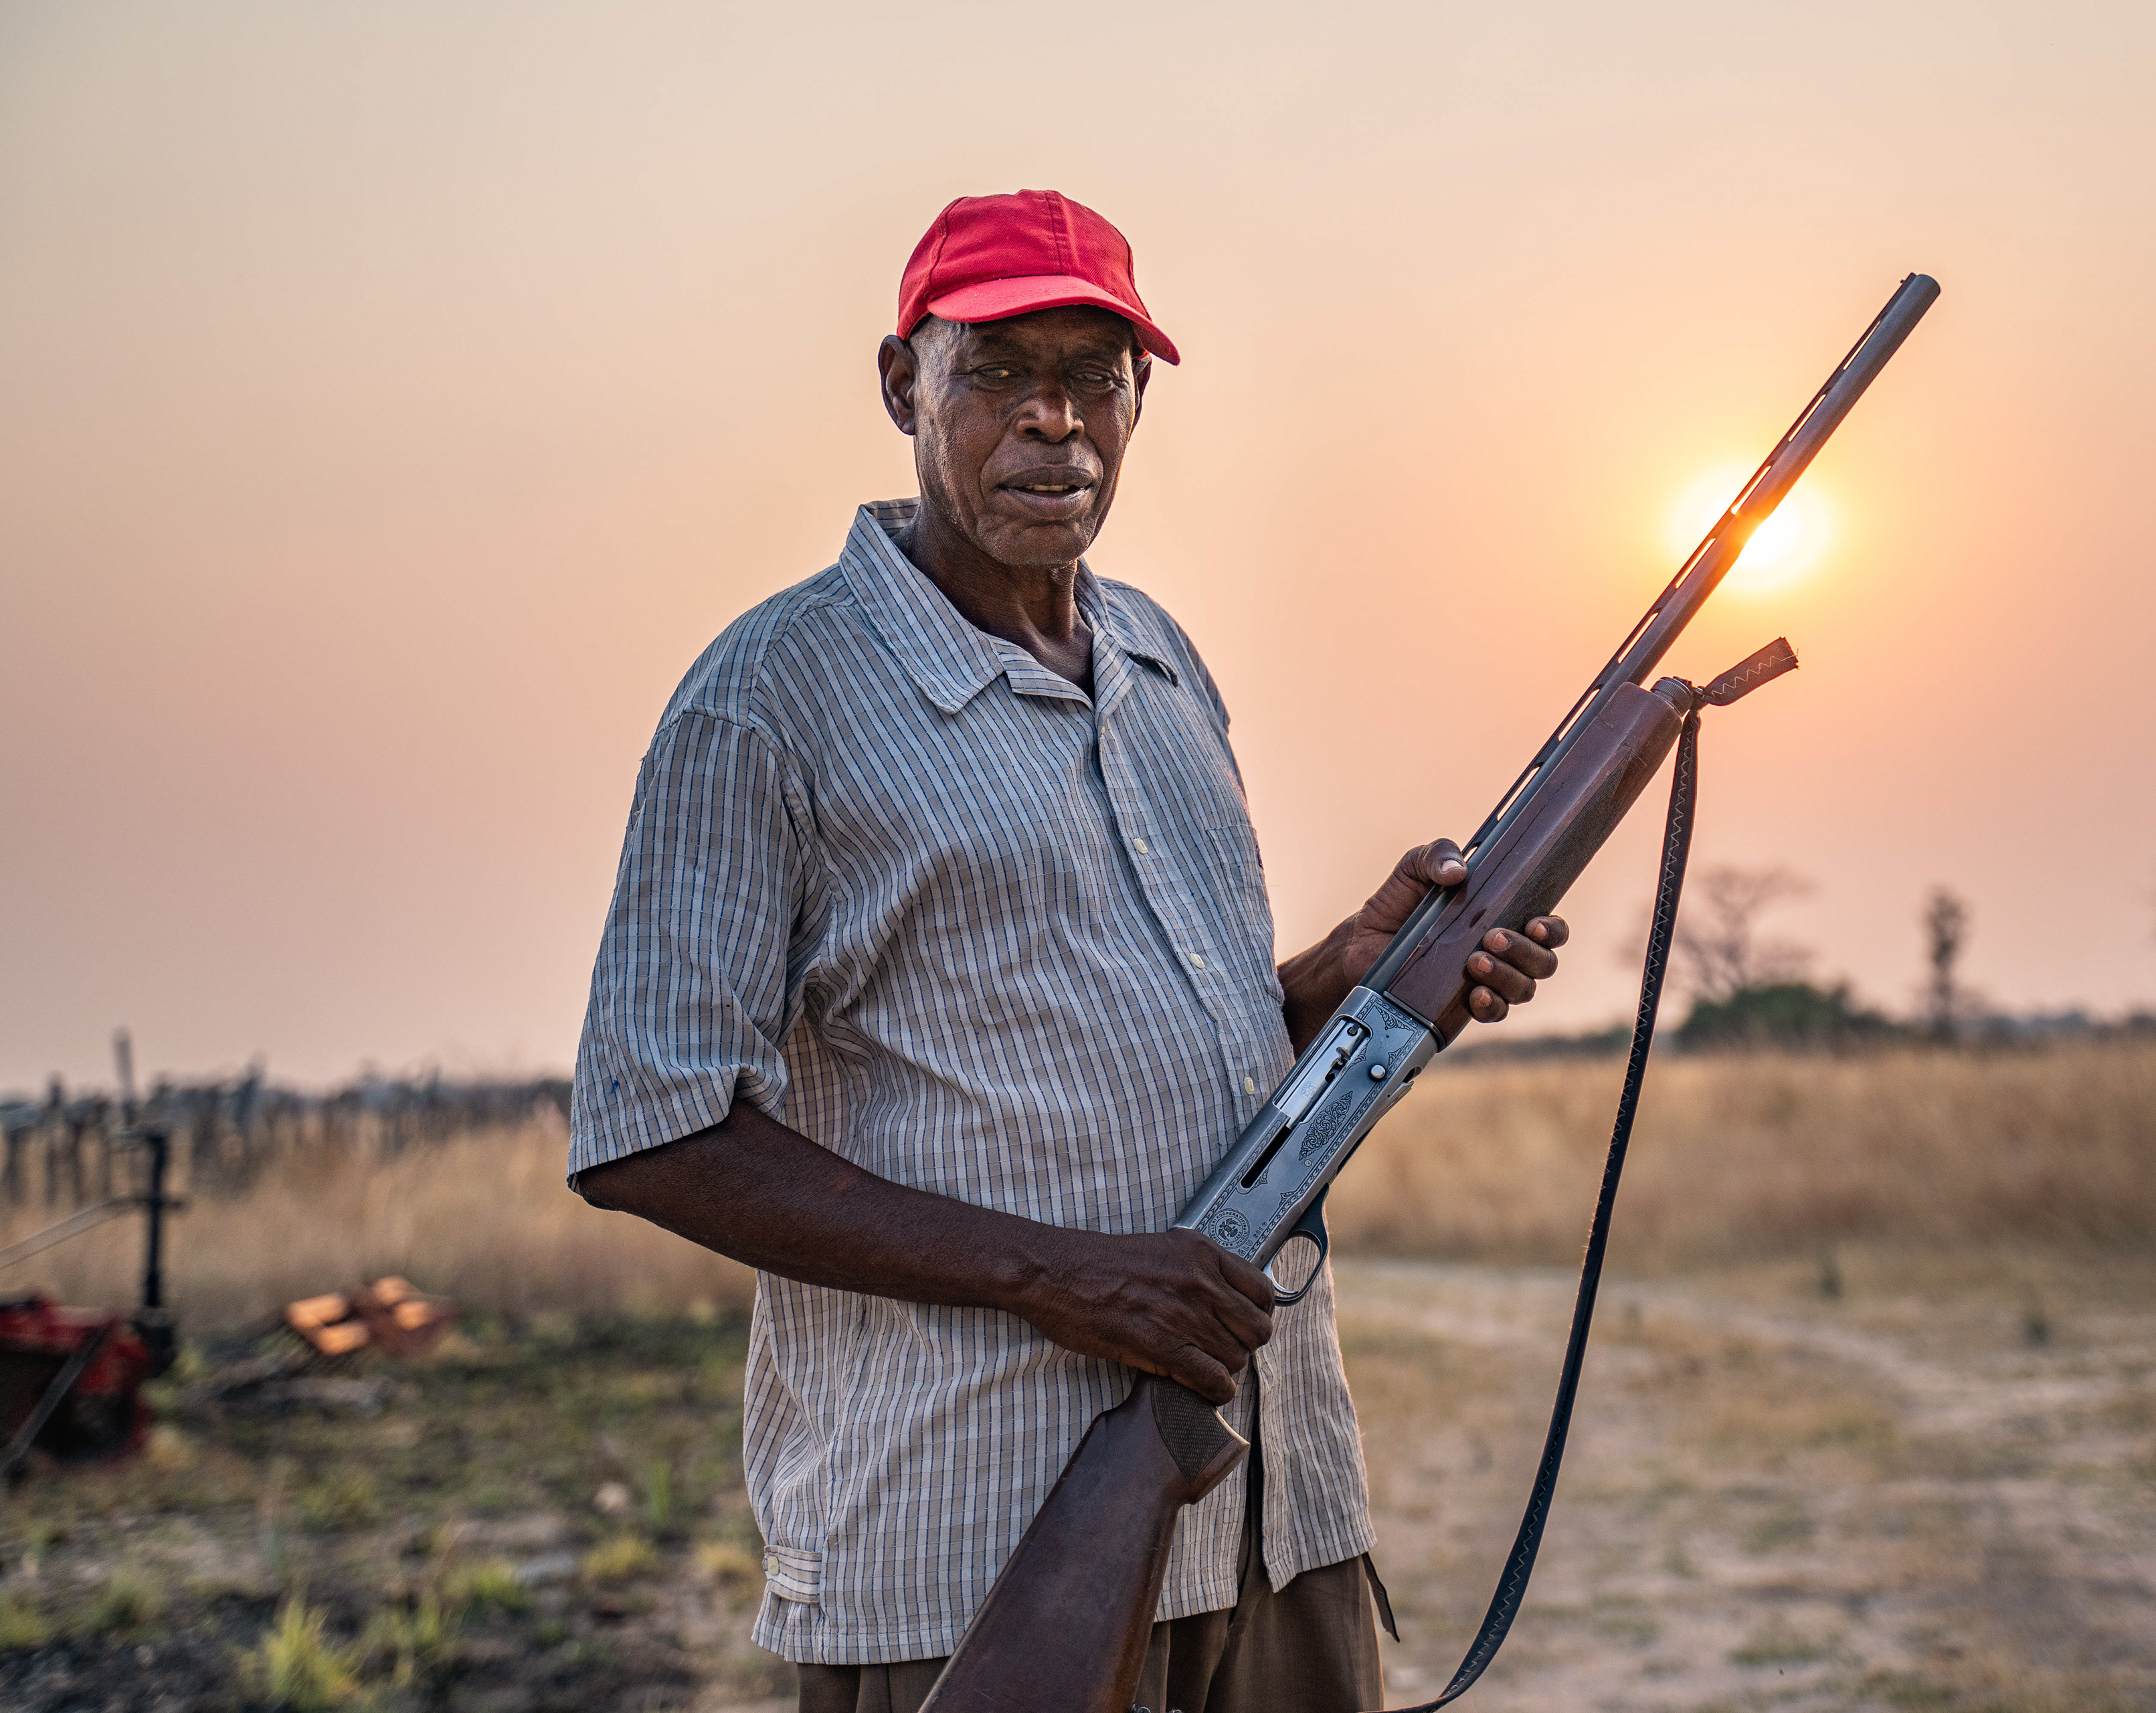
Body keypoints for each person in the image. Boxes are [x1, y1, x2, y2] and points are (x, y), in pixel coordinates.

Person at [569, 189, 1570, 1713]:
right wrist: (1055, 1274)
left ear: (1141, 396)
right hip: (972, 1545)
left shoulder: (1163, 661)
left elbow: (1201, 1049)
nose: (1056, 423)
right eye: (999, 372)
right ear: (903, 381)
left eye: (1095, 376)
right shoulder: (768, 697)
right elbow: (652, 1131)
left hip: (1275, 1514)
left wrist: (1351, 974)